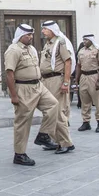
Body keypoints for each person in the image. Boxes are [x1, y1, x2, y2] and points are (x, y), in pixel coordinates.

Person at [4, 24, 58, 166]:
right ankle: (19, 154)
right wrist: (13, 95)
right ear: (20, 35)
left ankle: (43, 135)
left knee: (53, 105)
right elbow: (9, 74)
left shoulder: (32, 49)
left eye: (31, 35)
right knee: (23, 122)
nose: (30, 37)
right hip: (23, 88)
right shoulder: (13, 50)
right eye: (27, 35)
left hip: (38, 86)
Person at [39, 21, 75, 154]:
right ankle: (55, 140)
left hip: (56, 80)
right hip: (46, 80)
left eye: (45, 29)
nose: (43, 31)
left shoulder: (60, 42)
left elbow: (68, 62)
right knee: (49, 111)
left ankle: (66, 143)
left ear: (52, 30)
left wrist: (66, 82)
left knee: (58, 111)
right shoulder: (48, 43)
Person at [75, 34, 99, 133]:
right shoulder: (81, 51)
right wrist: (76, 79)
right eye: (83, 40)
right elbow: (78, 66)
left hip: (94, 75)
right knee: (85, 101)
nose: (84, 42)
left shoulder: (98, 49)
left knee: (98, 100)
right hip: (84, 76)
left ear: (91, 40)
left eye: (86, 40)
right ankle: (86, 122)